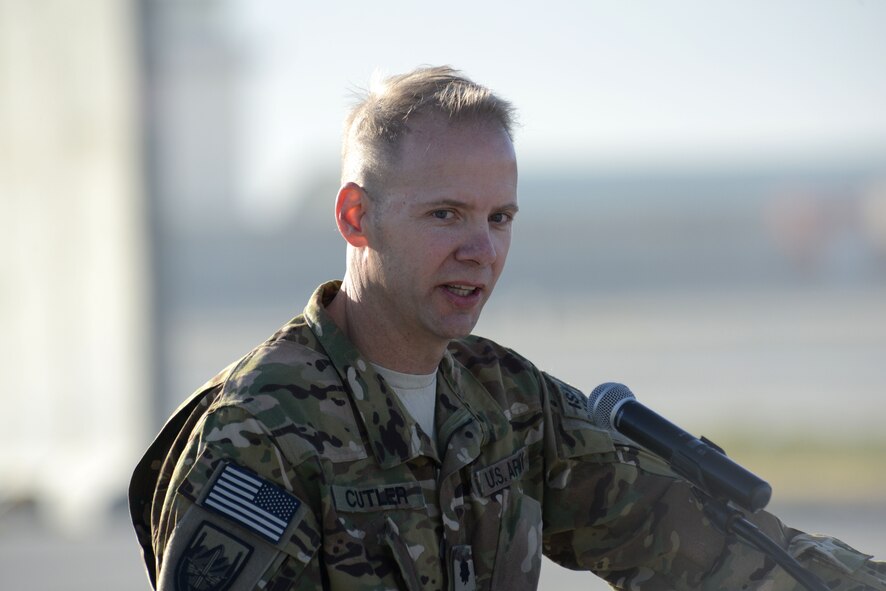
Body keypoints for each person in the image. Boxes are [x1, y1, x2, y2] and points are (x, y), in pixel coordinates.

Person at [129, 66, 886, 591]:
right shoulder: (260, 434)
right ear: (357, 217)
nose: (481, 249)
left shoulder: (507, 401)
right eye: (446, 214)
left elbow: (702, 547)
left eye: (499, 218)